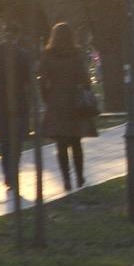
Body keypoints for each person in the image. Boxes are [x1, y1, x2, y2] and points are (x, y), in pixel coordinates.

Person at [39, 22, 97, 191]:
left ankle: (66, 179)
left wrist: (48, 98)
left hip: (56, 103)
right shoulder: (76, 54)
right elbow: (85, 80)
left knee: (61, 144)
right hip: (74, 102)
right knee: (76, 142)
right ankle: (79, 176)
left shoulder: (47, 55)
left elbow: (43, 81)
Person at [0, 28, 37, 190]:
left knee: (4, 141)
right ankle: (13, 172)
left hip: (0, 101)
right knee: (17, 141)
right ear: (15, 35)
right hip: (19, 101)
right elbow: (29, 79)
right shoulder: (23, 55)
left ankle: (8, 175)